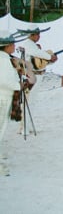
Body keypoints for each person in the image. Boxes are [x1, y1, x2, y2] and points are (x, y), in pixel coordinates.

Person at [1, 31, 25, 175]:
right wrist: (18, 85)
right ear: (7, 46)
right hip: (2, 97)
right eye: (12, 44)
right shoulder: (4, 60)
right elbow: (4, 81)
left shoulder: (4, 59)